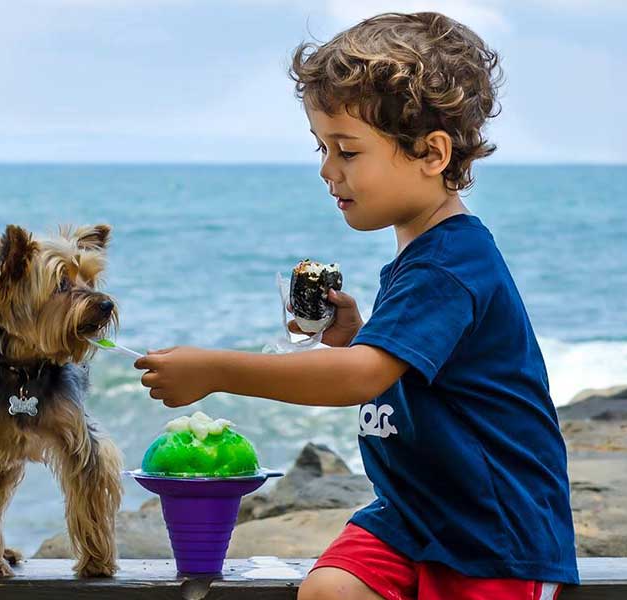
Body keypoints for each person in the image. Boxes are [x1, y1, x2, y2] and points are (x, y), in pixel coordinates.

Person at [134, 11, 578, 600]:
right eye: (322, 148)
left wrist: (215, 370)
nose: (326, 170)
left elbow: (360, 378)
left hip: (492, 528)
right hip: (412, 514)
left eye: (346, 150)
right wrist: (358, 335)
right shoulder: (421, 258)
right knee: (329, 590)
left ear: (432, 153)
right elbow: (396, 372)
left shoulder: (452, 262)